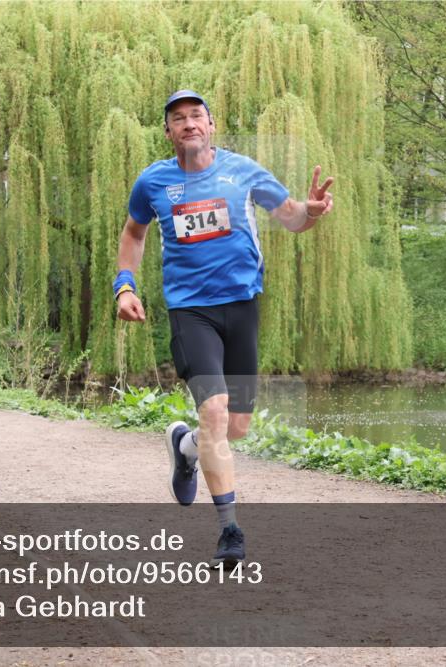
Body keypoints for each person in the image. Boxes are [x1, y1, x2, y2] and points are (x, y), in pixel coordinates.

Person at [114, 90, 334, 566]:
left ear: (212, 126)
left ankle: (186, 446)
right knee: (214, 411)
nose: (189, 123)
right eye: (179, 118)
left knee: (236, 427)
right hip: (190, 311)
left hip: (242, 306)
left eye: (197, 116)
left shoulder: (243, 171)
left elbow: (290, 216)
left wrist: (311, 212)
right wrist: (125, 286)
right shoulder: (153, 182)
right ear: (168, 131)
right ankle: (229, 531)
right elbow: (134, 233)